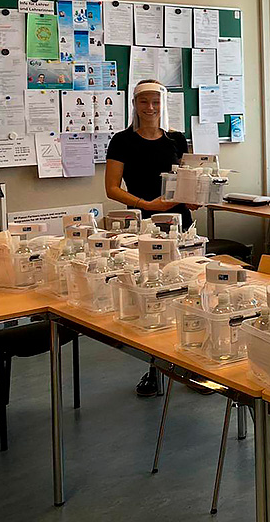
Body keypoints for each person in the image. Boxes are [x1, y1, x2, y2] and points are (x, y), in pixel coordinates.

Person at [104, 80, 194, 397]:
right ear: (134, 104)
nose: (150, 107)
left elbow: (190, 179)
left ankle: (193, 366)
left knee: (187, 292)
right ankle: (155, 368)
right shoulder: (122, 141)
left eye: (156, 101)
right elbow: (112, 188)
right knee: (152, 297)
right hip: (143, 226)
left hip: (180, 224)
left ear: (163, 103)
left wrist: (195, 196)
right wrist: (146, 205)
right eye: (144, 101)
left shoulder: (177, 139)